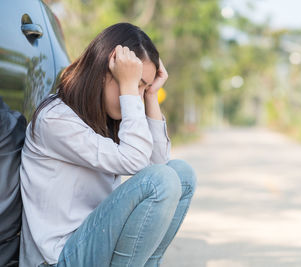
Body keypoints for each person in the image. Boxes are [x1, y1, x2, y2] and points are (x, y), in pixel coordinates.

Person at [18, 22, 197, 267]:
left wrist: (152, 96)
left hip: (92, 244)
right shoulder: (56, 119)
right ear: (104, 71)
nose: (136, 96)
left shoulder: (104, 119)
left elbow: (158, 164)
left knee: (181, 174)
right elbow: (142, 167)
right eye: (134, 84)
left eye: (142, 88)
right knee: (160, 181)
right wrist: (129, 90)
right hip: (57, 259)